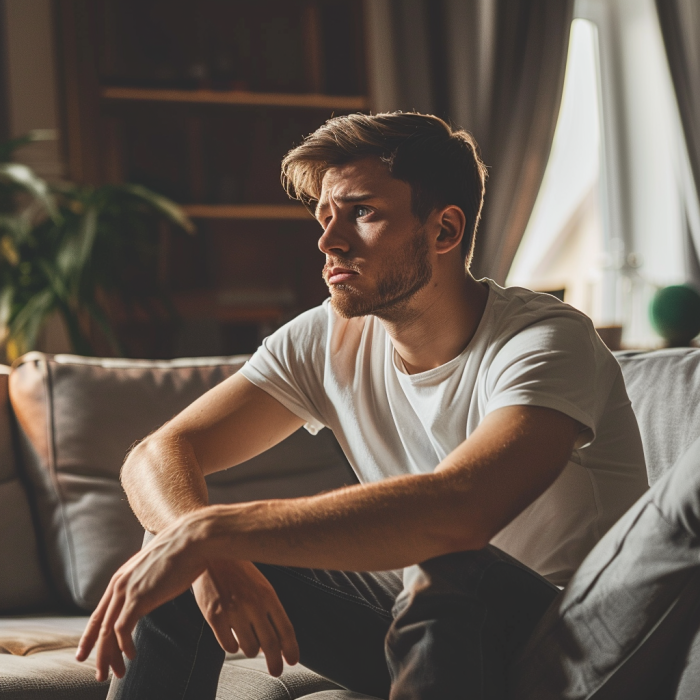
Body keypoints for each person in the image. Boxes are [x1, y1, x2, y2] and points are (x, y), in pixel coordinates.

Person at [76, 112, 649, 699]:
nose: (329, 241)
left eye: (363, 212)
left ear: (445, 230)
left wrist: (216, 531)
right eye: (325, 216)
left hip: (578, 643)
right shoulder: (329, 337)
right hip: (431, 626)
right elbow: (159, 451)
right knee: (171, 552)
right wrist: (194, 542)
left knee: (450, 564)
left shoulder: (545, 340)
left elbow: (462, 510)